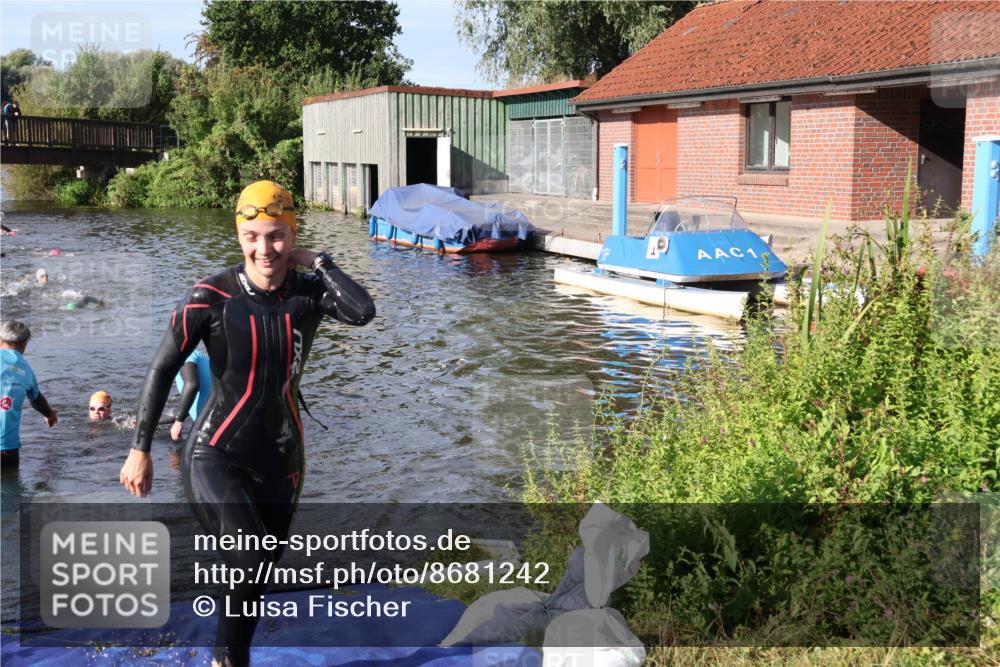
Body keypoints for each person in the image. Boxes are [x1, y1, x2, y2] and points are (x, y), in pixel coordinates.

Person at [119, 180, 375, 667]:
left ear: (292, 234)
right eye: (252, 235)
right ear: (239, 236)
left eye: (277, 236)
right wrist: (140, 448)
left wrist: (319, 260)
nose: (265, 248)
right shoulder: (210, 296)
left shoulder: (307, 291)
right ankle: (226, 660)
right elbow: (163, 367)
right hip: (215, 453)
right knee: (251, 560)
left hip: (283, 458)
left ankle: (230, 656)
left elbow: (363, 311)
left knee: (256, 572)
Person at [1, 321, 58, 466]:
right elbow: (36, 399)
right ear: (25, 343)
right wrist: (50, 415)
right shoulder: (25, 371)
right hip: (7, 450)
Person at [170, 348, 212, 442]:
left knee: (174, 453)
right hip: (216, 421)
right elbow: (186, 408)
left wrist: (178, 422)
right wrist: (147, 422)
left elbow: (192, 385)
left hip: (209, 427)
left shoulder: (185, 356)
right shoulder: (198, 357)